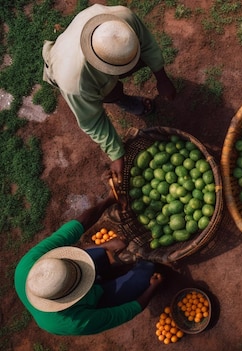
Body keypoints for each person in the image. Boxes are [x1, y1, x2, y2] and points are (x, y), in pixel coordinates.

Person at [42, 4, 176, 181]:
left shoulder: (122, 20)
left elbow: (147, 45)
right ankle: (123, 100)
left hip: (86, 48)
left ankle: (118, 92)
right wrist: (116, 154)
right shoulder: (74, 83)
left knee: (139, 61)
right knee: (112, 93)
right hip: (64, 63)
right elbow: (92, 120)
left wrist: (162, 78)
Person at [14, 193, 164, 335]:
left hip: (74, 275)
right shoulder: (73, 322)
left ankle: (108, 270)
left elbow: (78, 225)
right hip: (97, 301)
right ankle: (109, 282)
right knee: (147, 270)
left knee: (98, 253)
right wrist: (153, 287)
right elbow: (126, 312)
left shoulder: (30, 264)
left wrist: (109, 200)